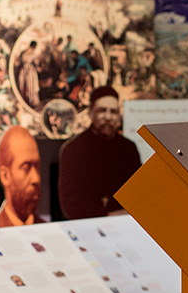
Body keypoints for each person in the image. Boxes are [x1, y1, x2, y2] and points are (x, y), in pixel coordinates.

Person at [57, 85, 142, 220]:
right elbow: (70, 202)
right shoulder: (72, 150)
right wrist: (107, 215)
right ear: (91, 112)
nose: (108, 117)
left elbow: (140, 193)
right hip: (86, 226)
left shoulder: (129, 149)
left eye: (113, 112)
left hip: (124, 225)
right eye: (102, 110)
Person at [0, 126, 43, 227]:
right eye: (26, 168)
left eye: (37, 166)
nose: (36, 179)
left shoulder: (48, 231)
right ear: (5, 176)